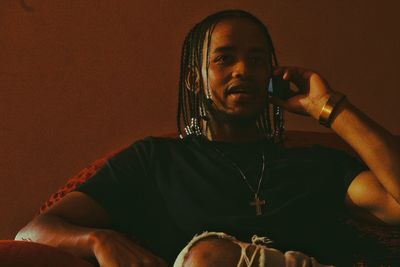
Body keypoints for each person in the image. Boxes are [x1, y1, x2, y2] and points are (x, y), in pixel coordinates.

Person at [15, 9, 400, 267]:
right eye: (224, 58)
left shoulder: (314, 163)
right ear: (193, 80)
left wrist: (329, 108)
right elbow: (34, 231)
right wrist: (99, 240)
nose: (243, 70)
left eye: (257, 59)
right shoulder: (155, 161)